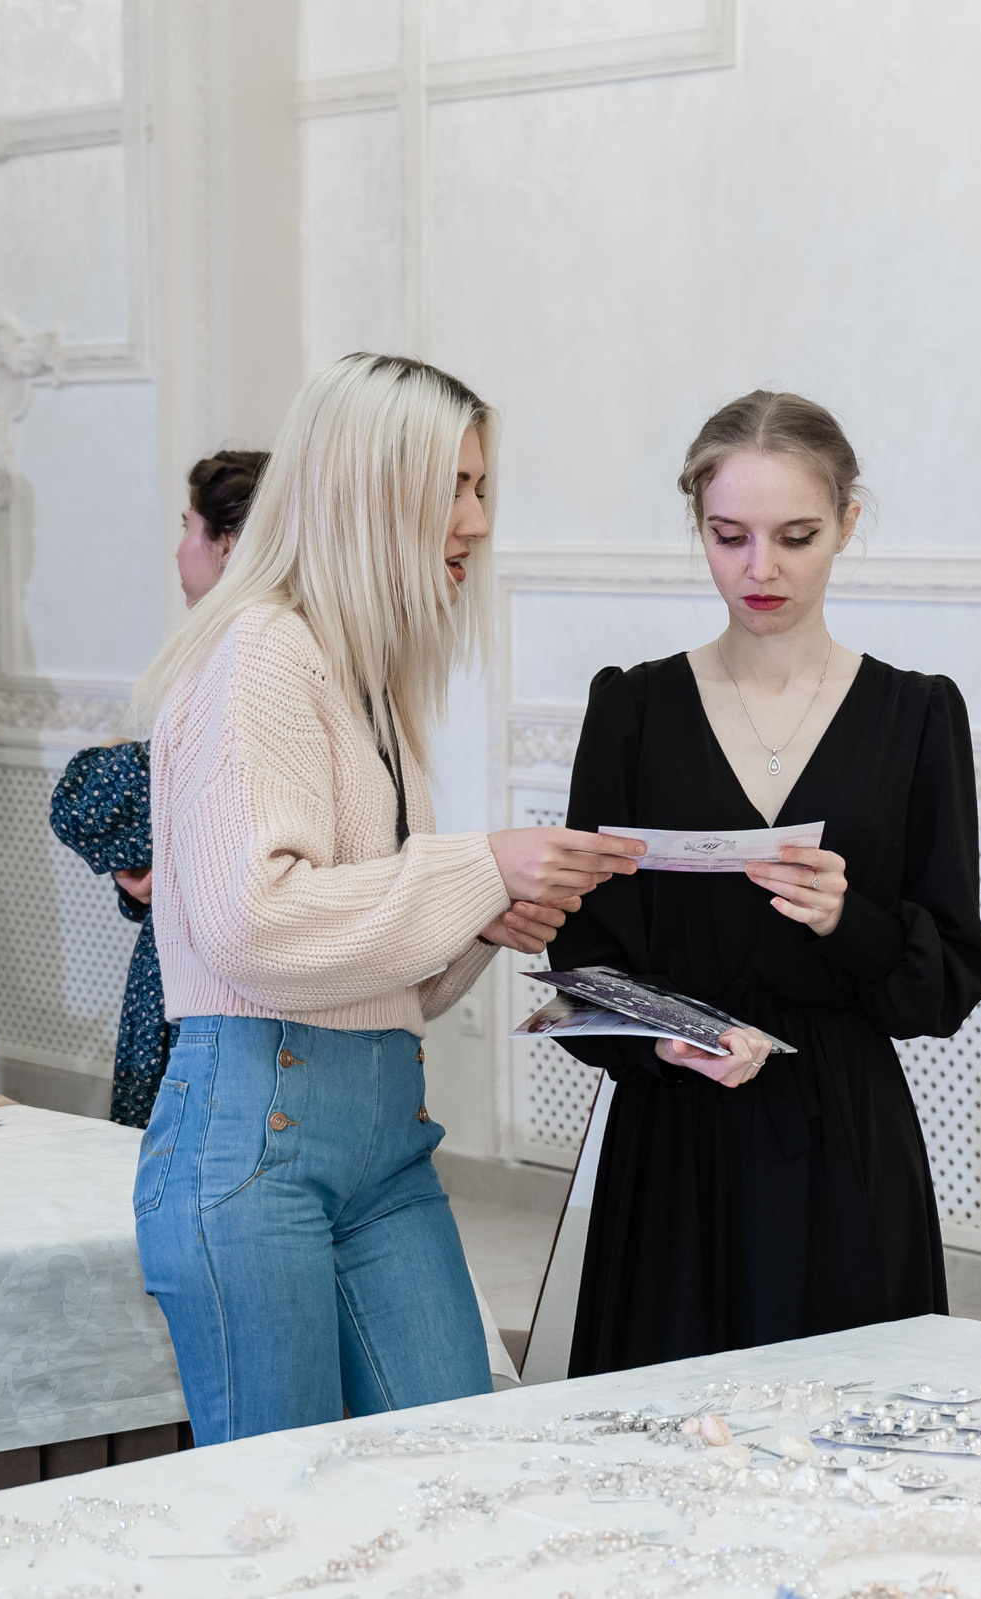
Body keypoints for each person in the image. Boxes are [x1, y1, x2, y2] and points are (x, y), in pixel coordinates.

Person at [130, 352, 647, 1444]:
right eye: (452, 489)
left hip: (380, 1136)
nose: (477, 522)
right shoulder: (259, 651)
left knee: (455, 1471)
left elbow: (386, 977)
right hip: (253, 1137)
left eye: (481, 487)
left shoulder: (358, 671)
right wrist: (479, 870)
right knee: (280, 1509)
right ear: (368, 491)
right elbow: (256, 925)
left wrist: (481, 919)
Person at [547, 390, 981, 1378]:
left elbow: (948, 981)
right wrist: (662, 1038)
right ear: (698, 527)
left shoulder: (917, 716)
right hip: (673, 1138)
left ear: (847, 524)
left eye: (796, 537)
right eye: (730, 537)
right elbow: (583, 960)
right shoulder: (631, 709)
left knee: (848, 1430)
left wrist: (850, 920)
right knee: (661, 1437)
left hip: (845, 1138)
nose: (762, 570)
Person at [52, 449, 269, 1128]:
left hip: (211, 994)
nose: (179, 550)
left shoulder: (245, 656)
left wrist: (121, 762)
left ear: (227, 542)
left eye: (187, 527)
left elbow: (83, 799)